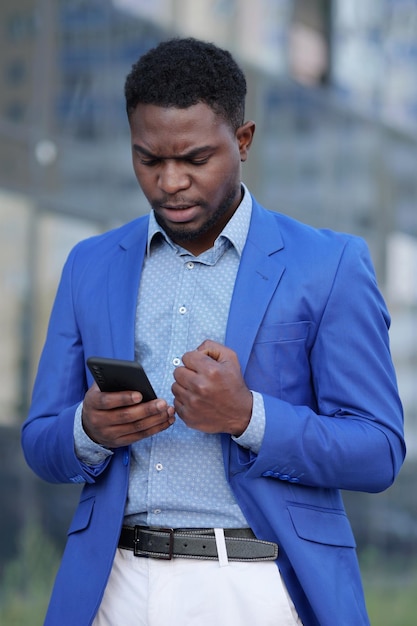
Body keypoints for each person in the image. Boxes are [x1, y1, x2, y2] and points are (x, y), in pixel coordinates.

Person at [21, 37, 405, 626]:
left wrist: (248, 416)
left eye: (195, 159)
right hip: (114, 585)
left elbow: (378, 451)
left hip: (259, 586)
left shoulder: (329, 266)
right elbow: (41, 441)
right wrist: (88, 429)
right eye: (149, 159)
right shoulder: (89, 264)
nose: (170, 182)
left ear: (243, 142)